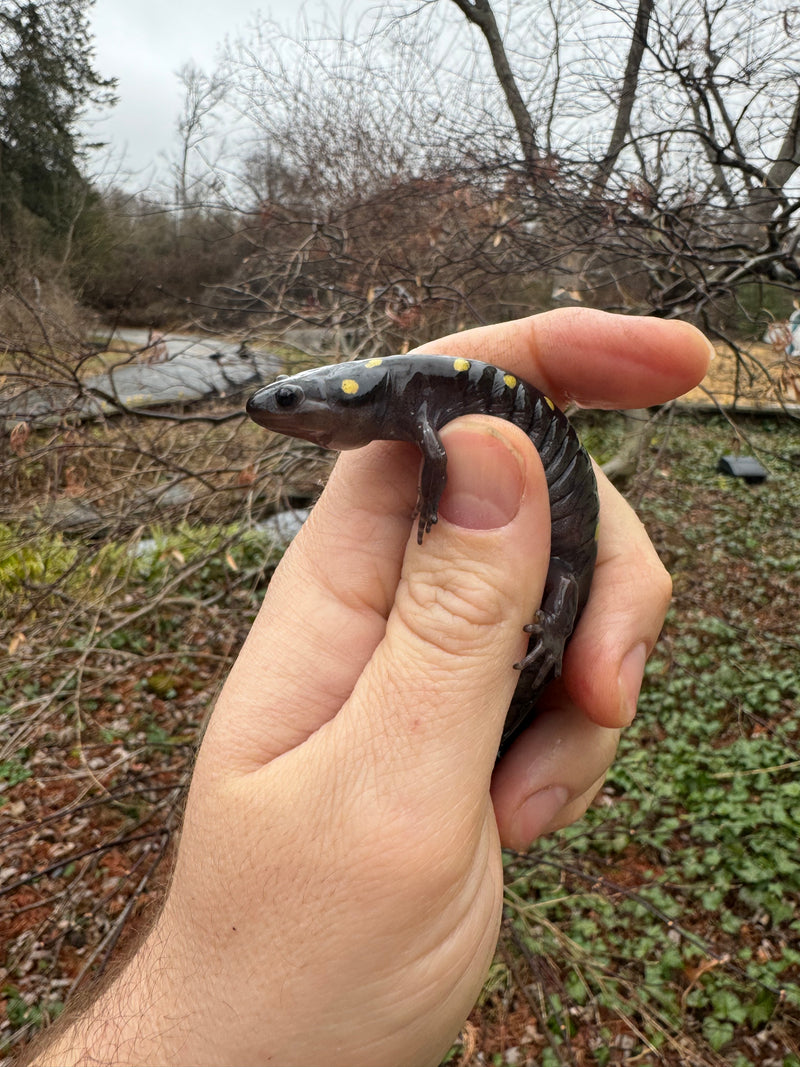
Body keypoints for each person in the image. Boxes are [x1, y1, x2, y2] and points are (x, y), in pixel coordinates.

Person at [30, 309, 711, 1067]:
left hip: (568, 555)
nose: (278, 413)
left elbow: (440, 462)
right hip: (558, 546)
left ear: (354, 393)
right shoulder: (406, 397)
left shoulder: (417, 402)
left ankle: (546, 640)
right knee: (552, 634)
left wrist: (450, 522)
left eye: (294, 400)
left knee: (560, 605)